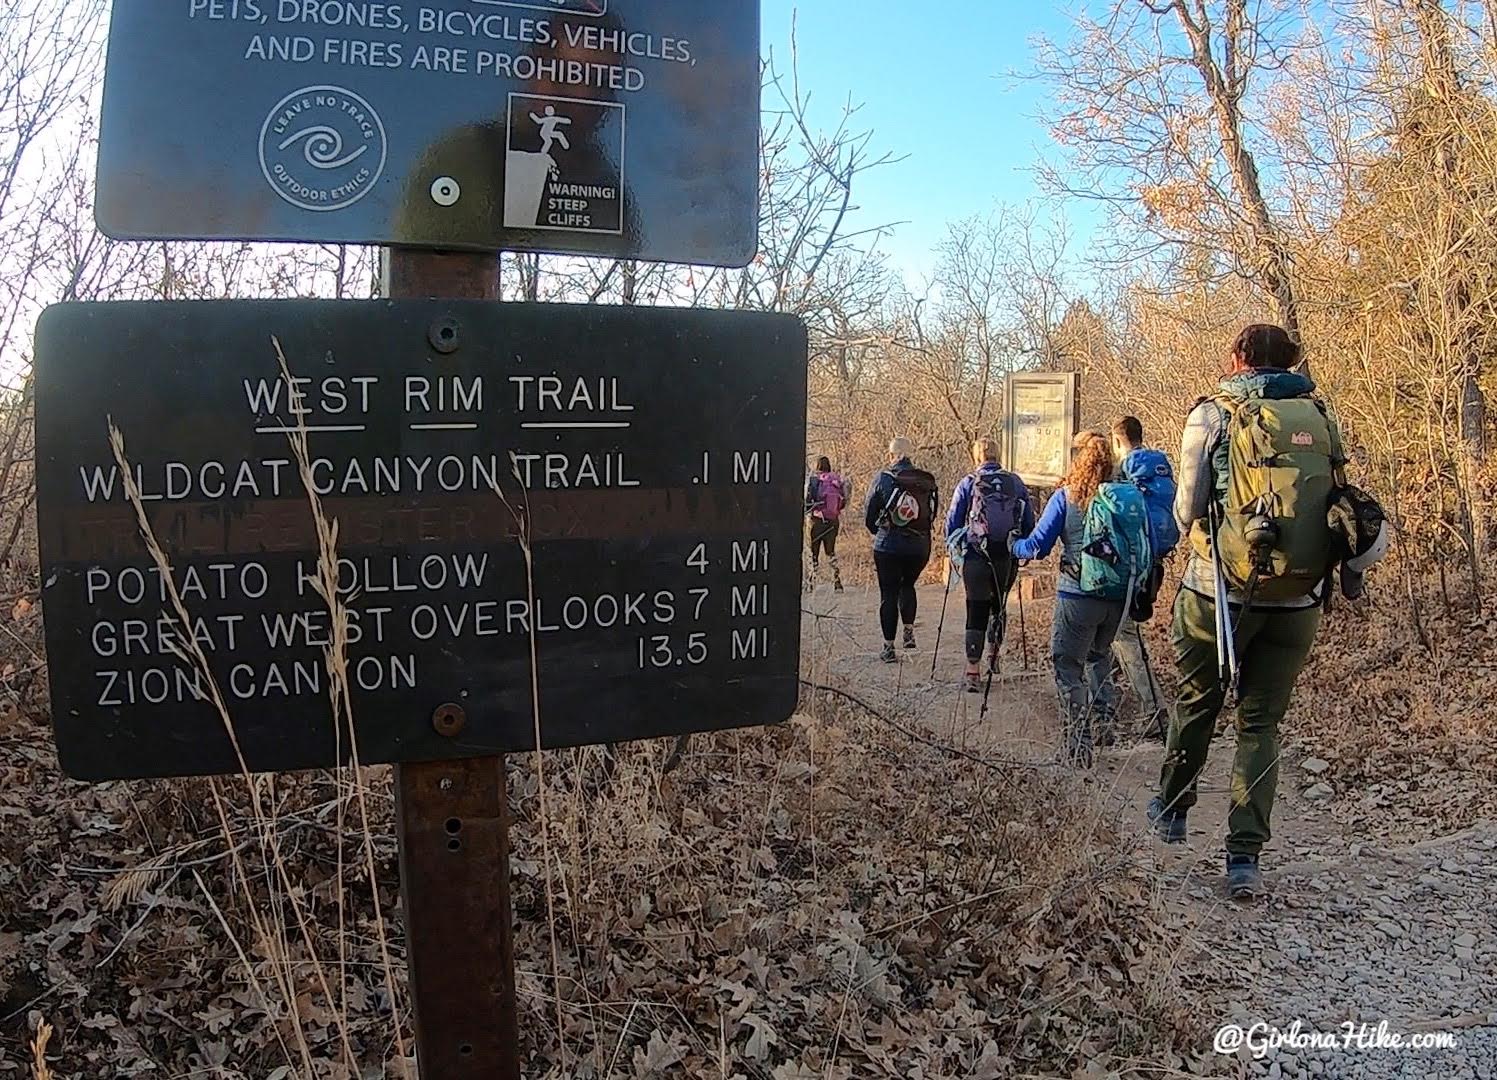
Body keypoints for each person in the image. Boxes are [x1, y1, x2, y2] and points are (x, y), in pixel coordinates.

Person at [1147, 323, 1359, 901]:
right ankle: (1244, 859)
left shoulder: (1212, 414)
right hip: (1298, 598)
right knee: (1261, 724)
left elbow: (1188, 507)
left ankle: (1171, 811)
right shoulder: (1320, 415)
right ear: (1292, 361)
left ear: (1238, 357)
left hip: (1217, 591)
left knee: (1198, 702)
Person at [1009, 431, 1151, 766]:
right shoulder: (1127, 496)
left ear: (1078, 461)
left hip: (1077, 595)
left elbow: (1037, 547)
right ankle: (1104, 725)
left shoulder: (1067, 496)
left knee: (1068, 666)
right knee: (1098, 656)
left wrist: (1013, 546)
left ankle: (1078, 747)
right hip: (1118, 596)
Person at [944, 437, 1034, 692]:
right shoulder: (1014, 482)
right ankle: (994, 656)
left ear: (977, 457)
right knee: (999, 604)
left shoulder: (969, 482)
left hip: (976, 556)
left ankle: (973, 671)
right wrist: (1022, 544)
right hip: (1006, 555)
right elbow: (1028, 519)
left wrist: (952, 547)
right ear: (998, 455)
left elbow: (952, 521)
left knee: (976, 607)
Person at [1107, 416, 1176, 742]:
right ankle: (1110, 689)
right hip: (1157, 561)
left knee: (1124, 633)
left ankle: (1153, 710)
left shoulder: (1125, 471)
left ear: (1118, 440)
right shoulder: (1160, 464)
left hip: (1132, 563)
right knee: (1117, 629)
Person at [865, 437, 939, 664]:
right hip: (919, 547)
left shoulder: (883, 479)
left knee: (889, 593)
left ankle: (888, 647)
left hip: (888, 546)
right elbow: (932, 512)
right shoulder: (925, 480)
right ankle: (908, 633)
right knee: (907, 585)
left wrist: (879, 531)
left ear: (891, 455)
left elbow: (869, 514)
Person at [805, 456, 850, 591]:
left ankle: (811, 583)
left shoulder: (815, 480)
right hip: (833, 521)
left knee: (814, 552)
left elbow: (808, 503)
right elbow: (843, 502)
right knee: (830, 551)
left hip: (816, 520)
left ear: (817, 466)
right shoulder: (836, 480)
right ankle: (837, 583)